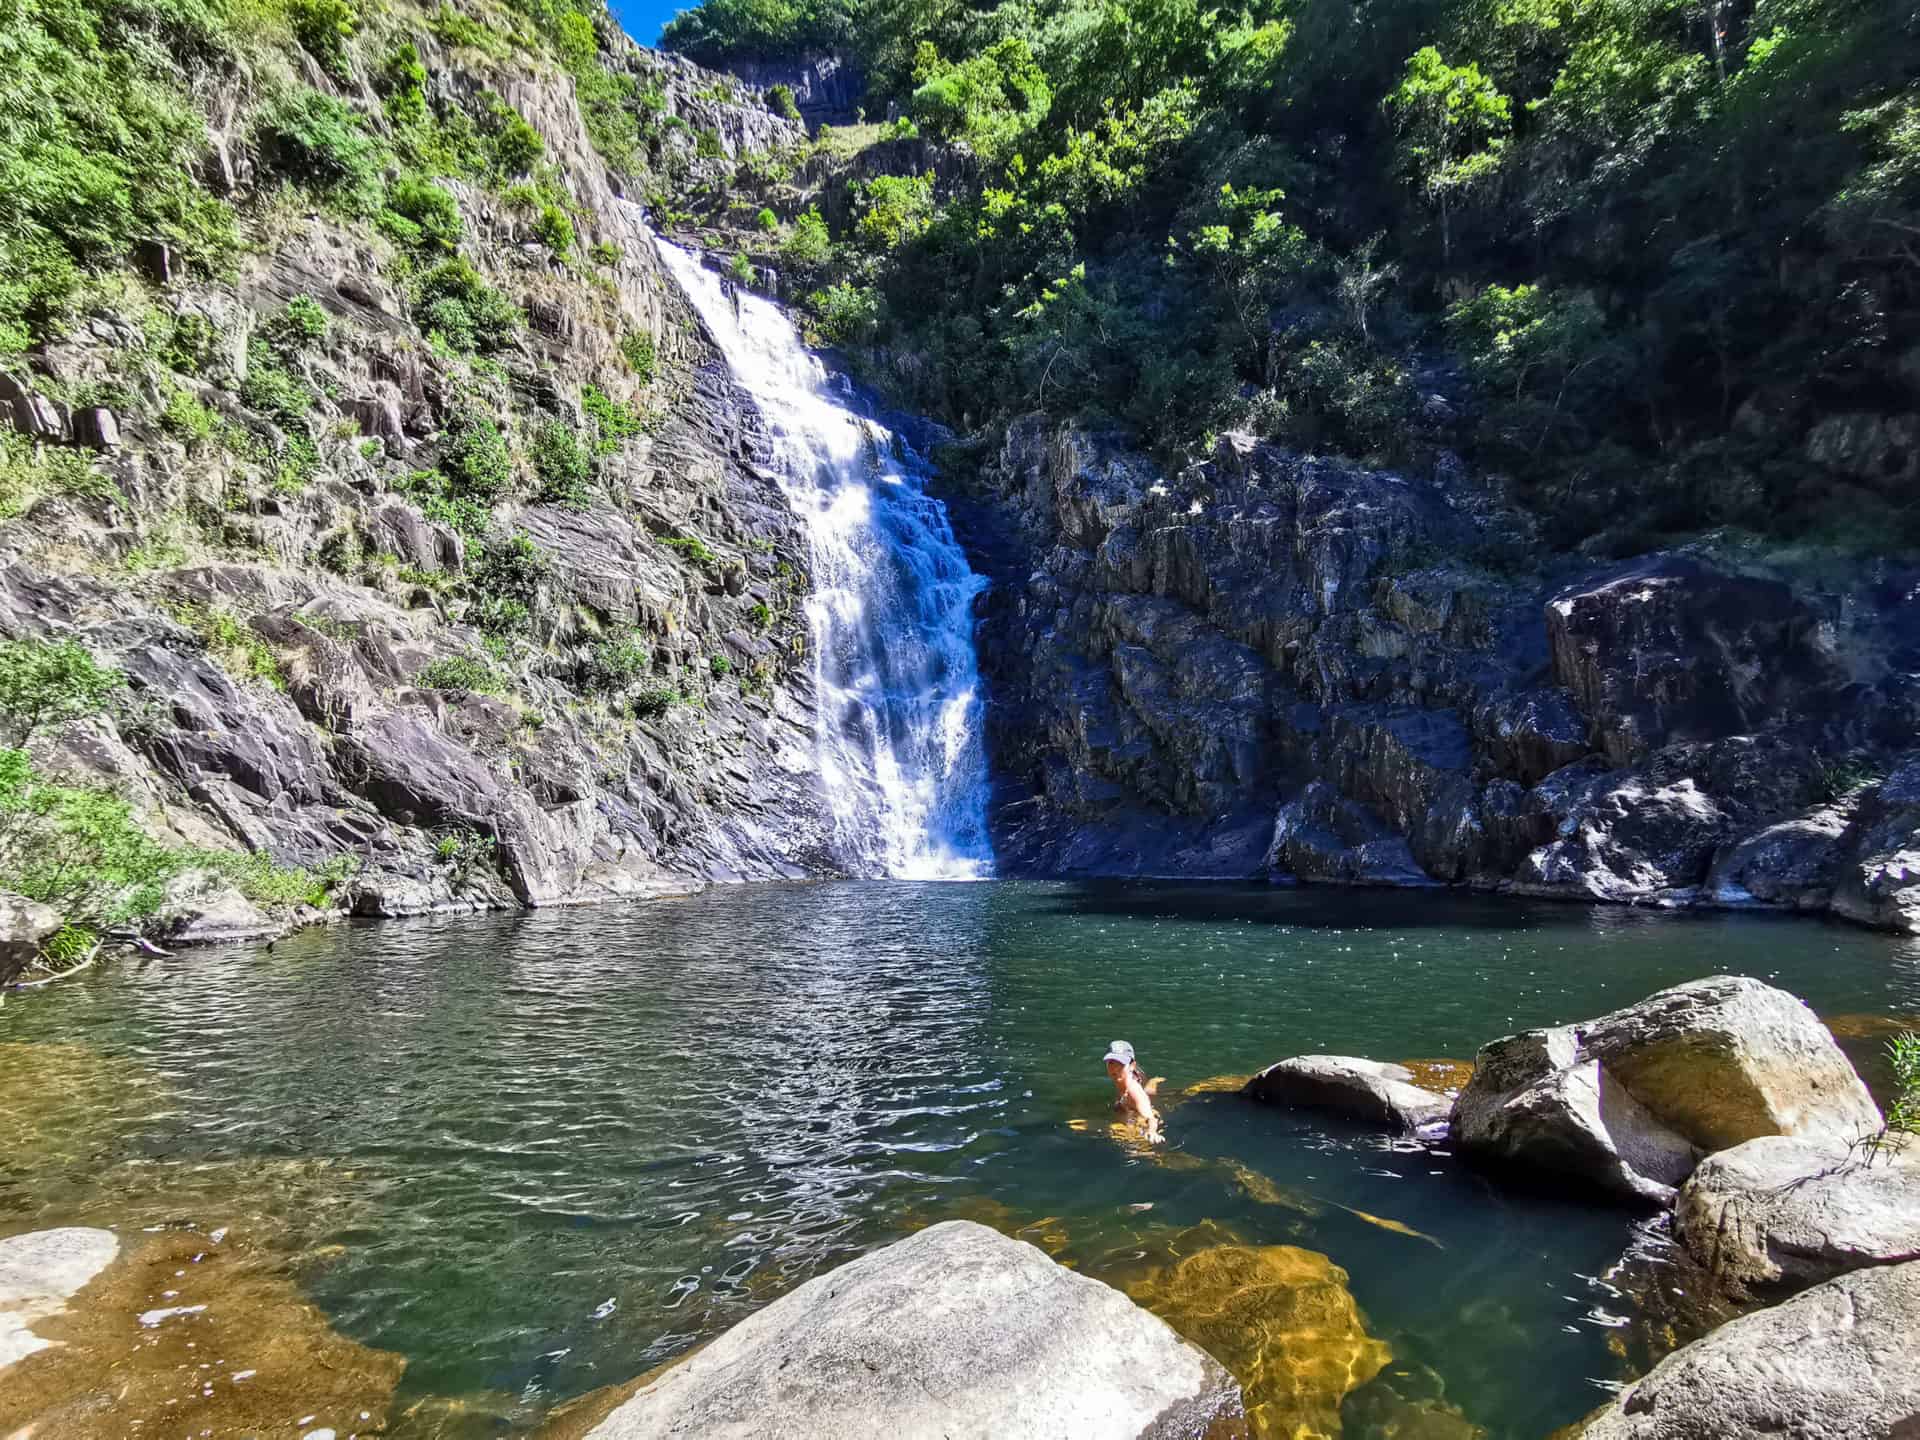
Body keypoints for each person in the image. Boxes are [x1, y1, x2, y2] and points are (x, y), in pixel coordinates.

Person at [1104, 1040, 1163, 1142]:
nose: (1115, 1068)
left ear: (1132, 1066)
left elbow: (1151, 1119)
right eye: (1111, 1063)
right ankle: (1153, 1082)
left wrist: (1152, 1132)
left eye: (1120, 1064)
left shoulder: (1134, 1091)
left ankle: (1155, 1082)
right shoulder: (1122, 1085)